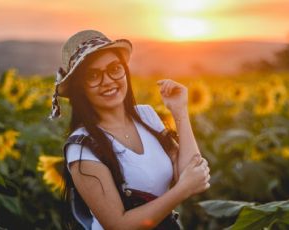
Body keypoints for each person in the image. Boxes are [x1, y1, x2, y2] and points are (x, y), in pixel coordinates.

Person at [49, 30, 211, 230]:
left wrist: (180, 111)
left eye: (114, 68)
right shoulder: (83, 147)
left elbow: (191, 171)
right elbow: (118, 224)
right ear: (80, 88)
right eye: (93, 75)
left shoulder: (146, 116)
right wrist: (182, 190)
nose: (108, 80)